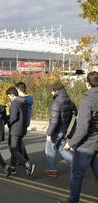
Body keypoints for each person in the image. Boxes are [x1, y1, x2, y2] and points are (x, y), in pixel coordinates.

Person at [61, 71, 98, 203]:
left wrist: (70, 143)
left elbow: (82, 128)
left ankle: (73, 200)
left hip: (86, 145)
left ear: (88, 83)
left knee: (76, 175)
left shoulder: (87, 100)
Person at [44, 81, 75, 177]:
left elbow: (54, 121)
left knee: (49, 149)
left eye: (52, 91)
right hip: (64, 129)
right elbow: (75, 113)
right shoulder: (69, 100)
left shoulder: (56, 102)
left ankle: (52, 170)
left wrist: (49, 134)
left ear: (56, 90)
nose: (51, 93)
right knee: (61, 148)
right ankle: (75, 164)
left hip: (56, 131)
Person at [6, 86, 35, 177]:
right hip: (22, 128)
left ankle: (27, 164)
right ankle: (13, 167)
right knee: (15, 148)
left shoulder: (15, 102)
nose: (9, 98)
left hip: (15, 129)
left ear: (12, 94)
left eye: (9, 96)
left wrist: (8, 123)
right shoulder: (24, 102)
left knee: (13, 149)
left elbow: (13, 117)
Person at [15, 82, 32, 165]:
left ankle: (24, 160)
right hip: (24, 122)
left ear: (19, 89)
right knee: (19, 141)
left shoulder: (26, 98)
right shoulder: (26, 98)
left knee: (17, 141)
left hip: (23, 122)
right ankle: (23, 159)